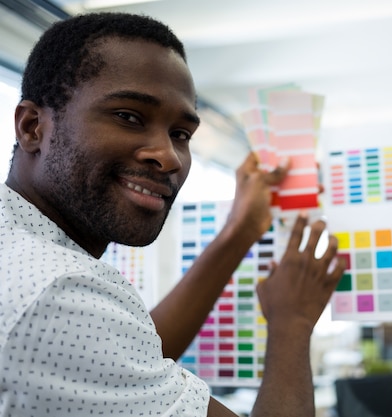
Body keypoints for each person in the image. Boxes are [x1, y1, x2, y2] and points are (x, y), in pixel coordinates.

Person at [0, 12, 345, 417]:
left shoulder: (21, 251)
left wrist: (241, 231)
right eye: (128, 116)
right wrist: (293, 319)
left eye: (180, 134)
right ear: (31, 127)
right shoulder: (55, 288)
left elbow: (116, 353)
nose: (167, 156)